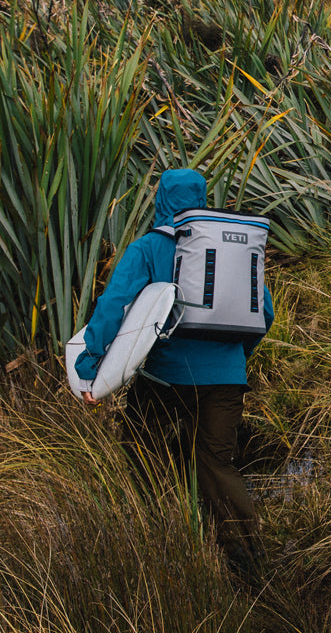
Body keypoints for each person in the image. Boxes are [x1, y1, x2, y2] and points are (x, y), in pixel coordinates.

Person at [73, 168, 275, 582]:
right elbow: (263, 314)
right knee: (217, 464)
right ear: (203, 196)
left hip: (165, 379)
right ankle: (249, 562)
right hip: (226, 382)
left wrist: (90, 367)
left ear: (161, 199)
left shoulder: (149, 247)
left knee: (142, 448)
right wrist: (236, 360)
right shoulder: (234, 249)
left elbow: (114, 306)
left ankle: (160, 536)